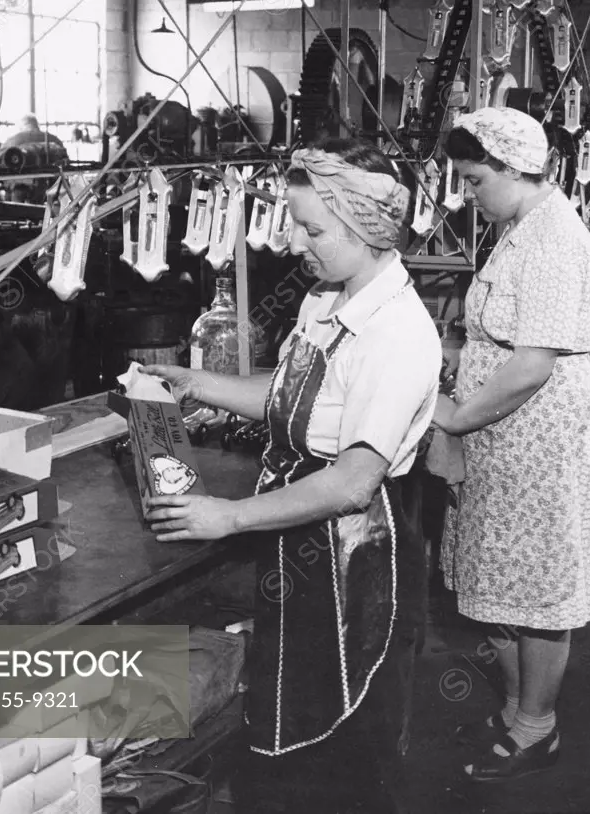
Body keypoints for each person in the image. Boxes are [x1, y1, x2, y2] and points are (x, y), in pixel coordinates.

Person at [141, 138, 442, 813]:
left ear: (367, 226)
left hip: (352, 552)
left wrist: (229, 516)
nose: (294, 241)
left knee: (340, 730)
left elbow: (353, 482)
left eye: (312, 228)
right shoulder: (326, 298)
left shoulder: (398, 333)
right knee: (286, 718)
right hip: (301, 536)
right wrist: (198, 383)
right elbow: (289, 392)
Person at [434, 107, 590, 783]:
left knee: (536, 585)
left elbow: (533, 363)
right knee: (502, 578)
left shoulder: (552, 243)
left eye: (476, 180)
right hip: (506, 434)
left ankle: (538, 726)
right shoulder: (520, 228)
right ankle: (516, 710)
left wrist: (454, 418)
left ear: (514, 169)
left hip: (537, 437)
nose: (469, 193)